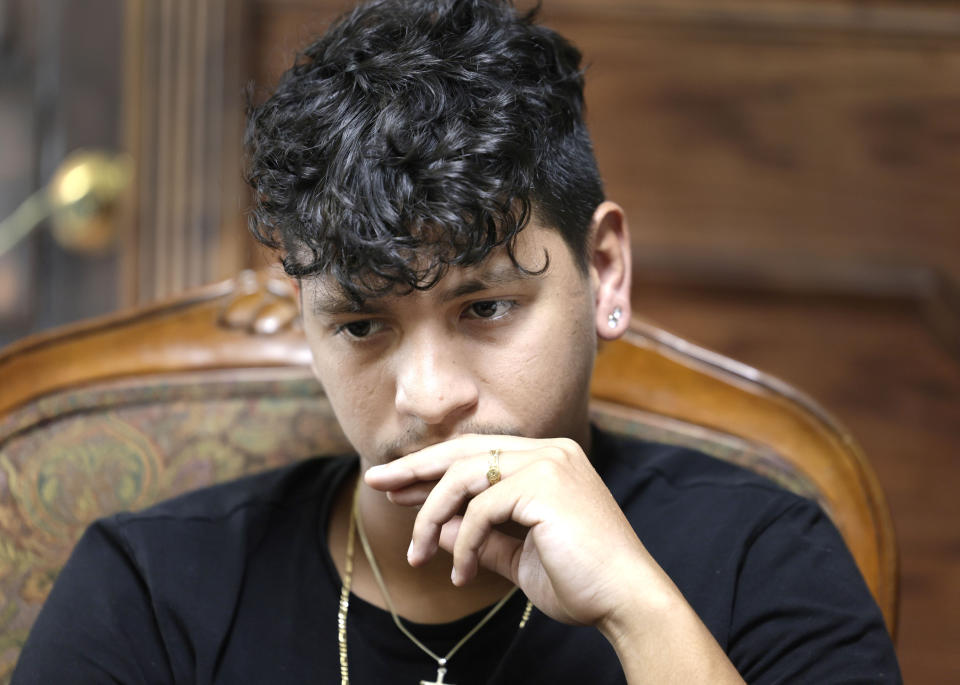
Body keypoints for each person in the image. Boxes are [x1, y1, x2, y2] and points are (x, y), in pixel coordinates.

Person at [14, 0, 900, 682]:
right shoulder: (148, 589)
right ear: (305, 318)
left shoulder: (762, 556)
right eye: (362, 324)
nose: (430, 396)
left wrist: (640, 611)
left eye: (486, 308)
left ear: (606, 272)